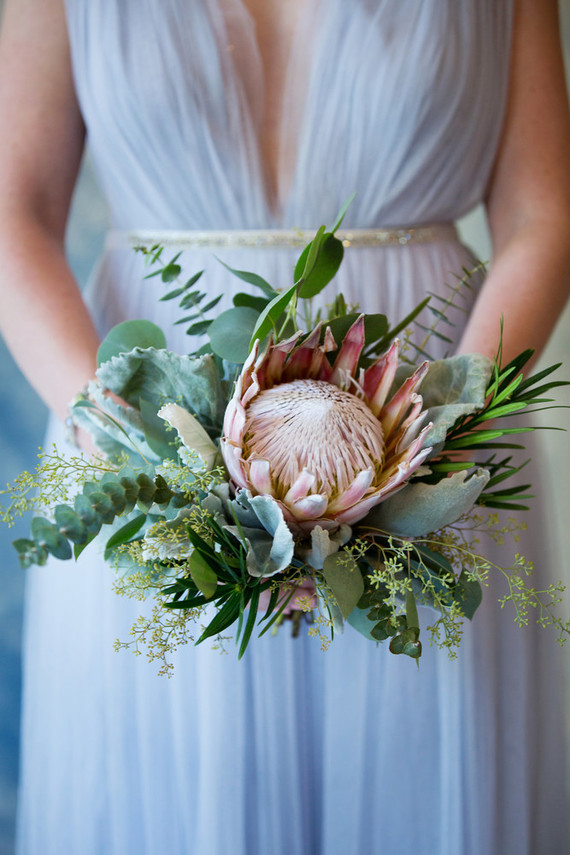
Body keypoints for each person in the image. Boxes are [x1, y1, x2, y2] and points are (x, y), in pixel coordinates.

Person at [0, 1, 569, 853]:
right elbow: (14, 212)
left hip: (436, 443)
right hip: (143, 449)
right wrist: (126, 446)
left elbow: (543, 217)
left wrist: (439, 444)